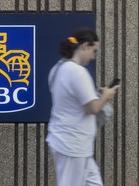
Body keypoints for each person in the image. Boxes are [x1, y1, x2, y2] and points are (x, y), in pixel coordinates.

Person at [46, 28, 119, 186]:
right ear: (85, 46)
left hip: (73, 143)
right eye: (94, 51)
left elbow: (69, 98)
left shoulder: (58, 68)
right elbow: (92, 108)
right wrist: (106, 96)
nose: (93, 56)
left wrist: (95, 92)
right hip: (72, 144)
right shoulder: (77, 72)